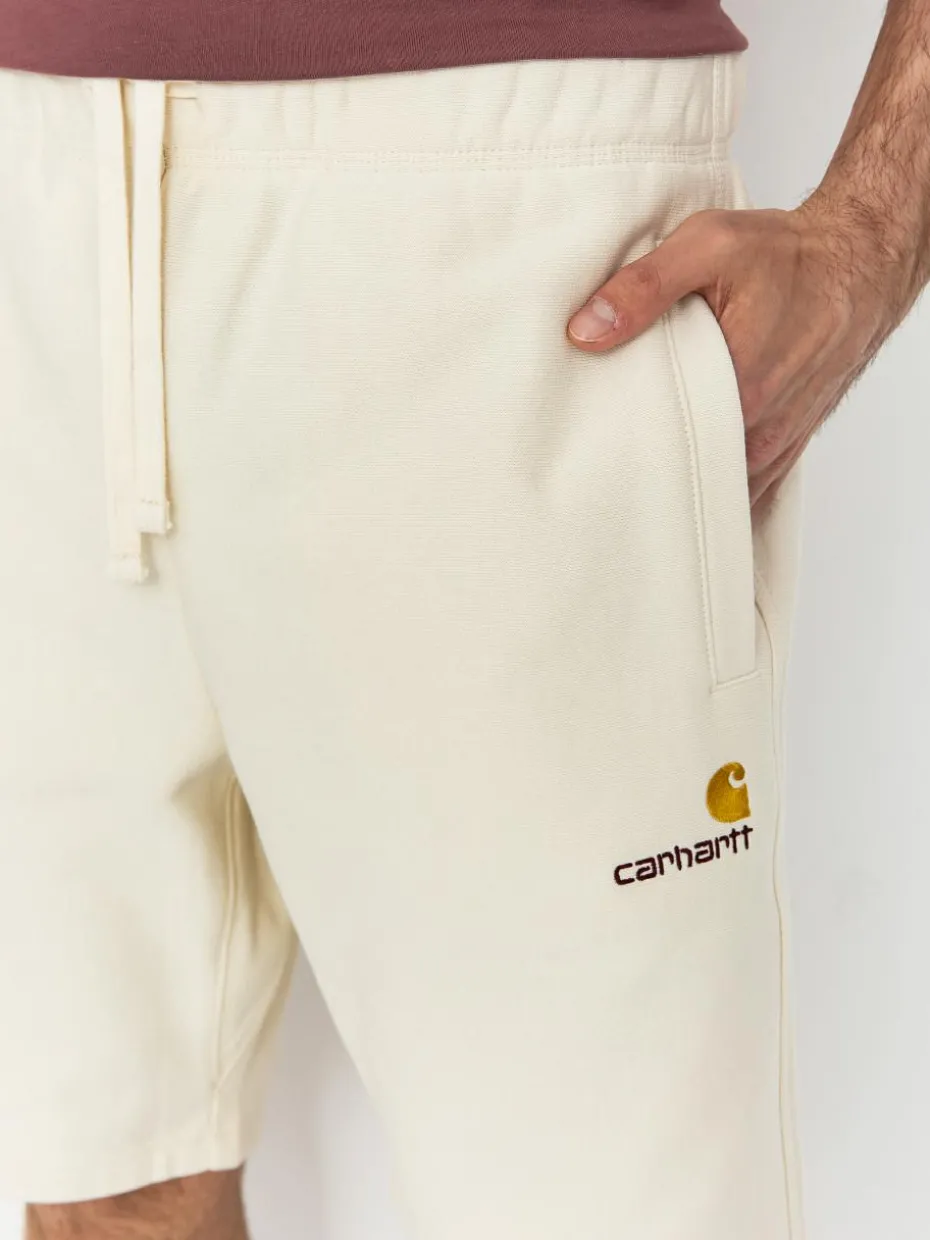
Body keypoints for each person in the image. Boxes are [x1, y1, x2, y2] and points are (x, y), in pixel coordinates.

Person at [0, 1, 925, 1237]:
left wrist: (874, 228)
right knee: (114, 1173)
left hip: (505, 207)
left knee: (594, 1208)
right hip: (36, 187)